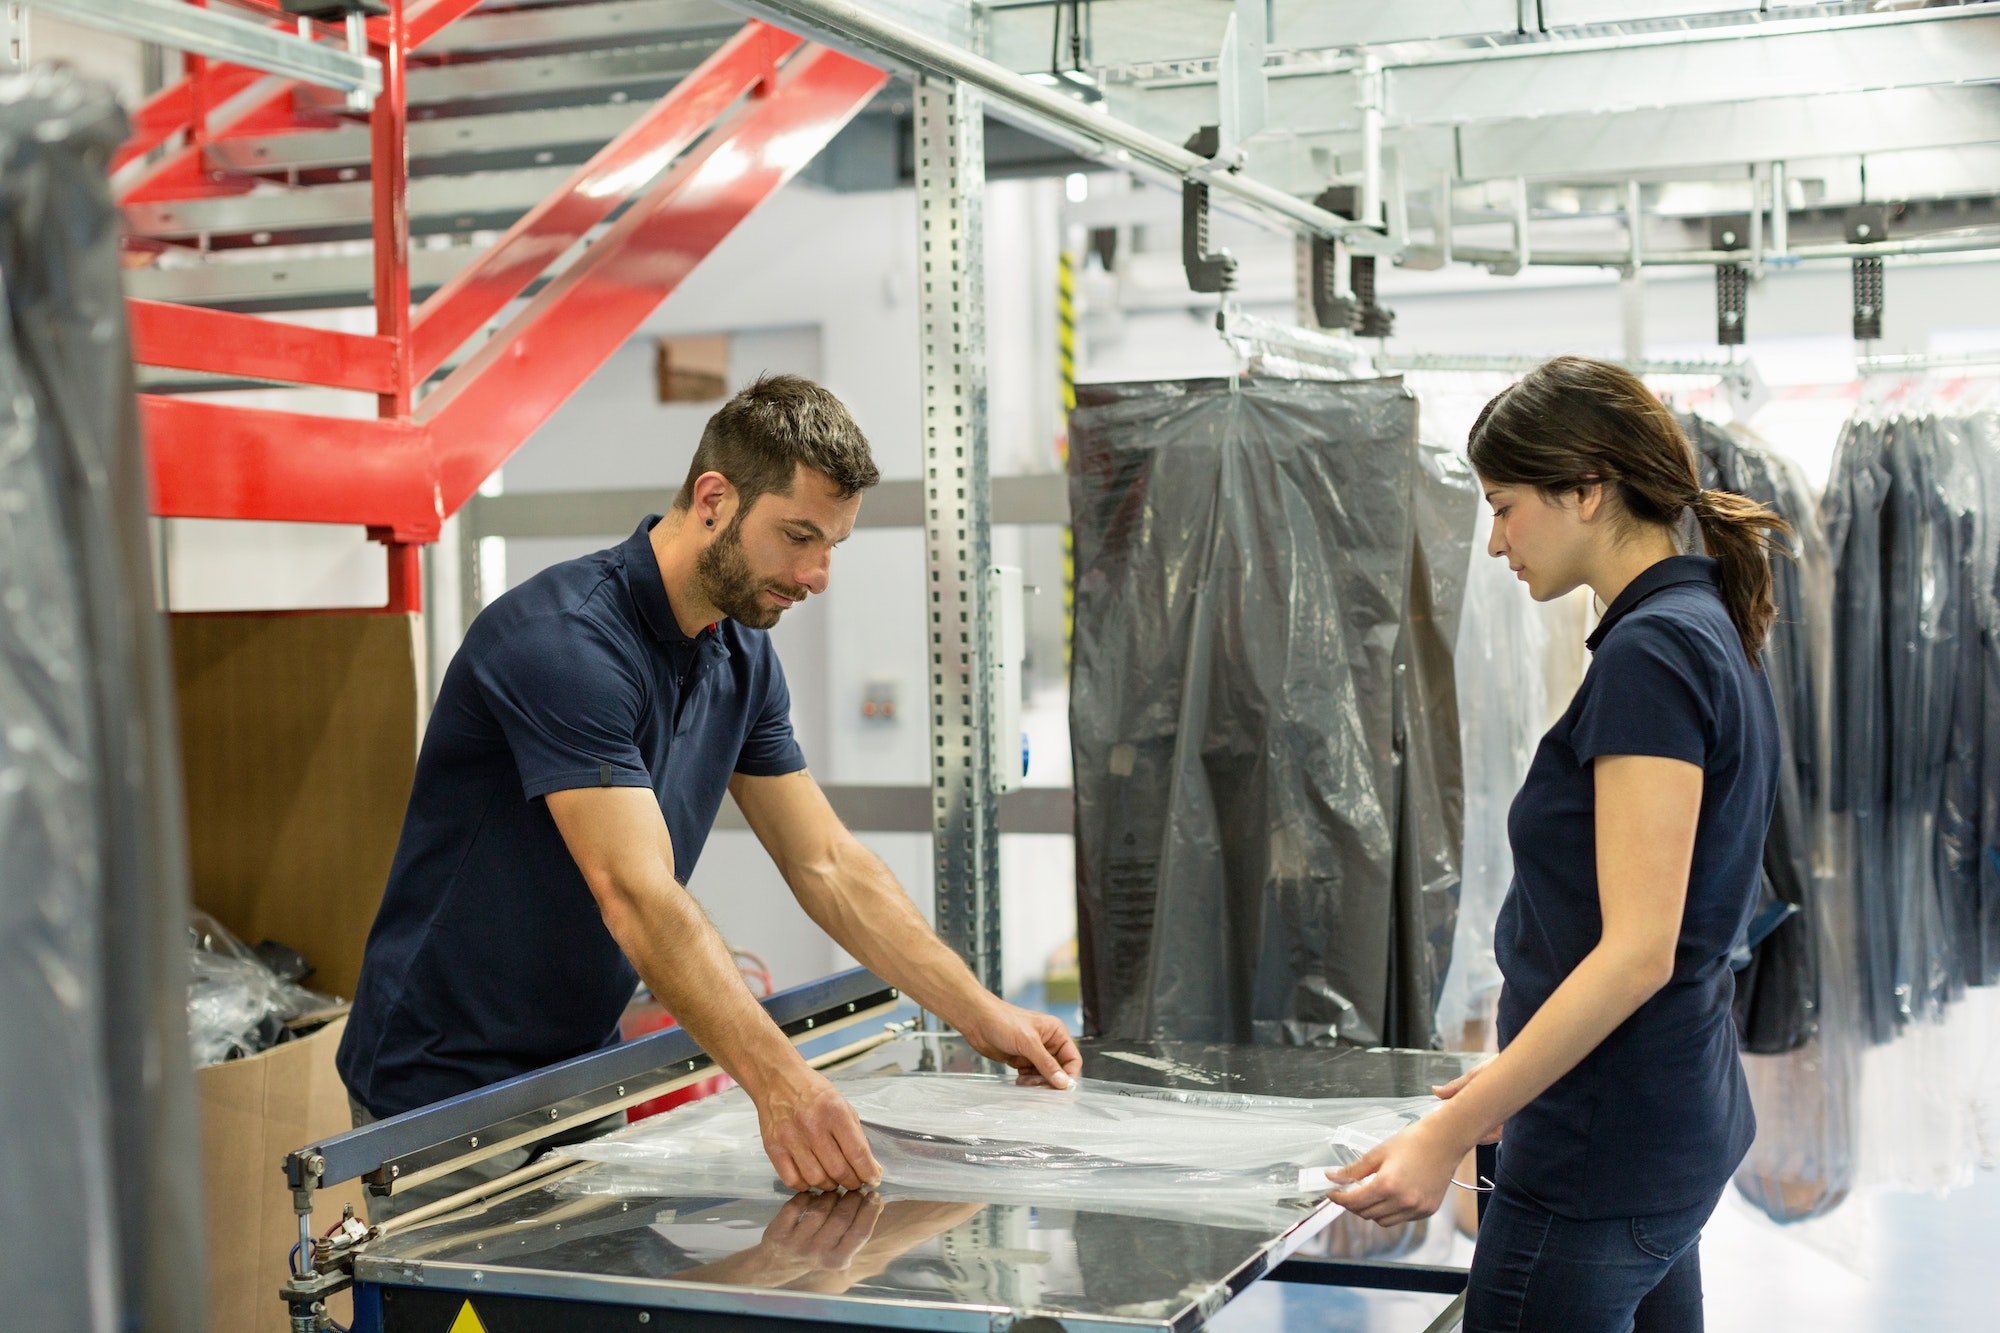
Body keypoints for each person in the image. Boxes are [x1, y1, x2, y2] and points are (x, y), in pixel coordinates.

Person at [337, 374, 1079, 1214]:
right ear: (715, 499)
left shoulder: (741, 656)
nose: (817, 574)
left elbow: (828, 862)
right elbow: (639, 895)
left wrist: (980, 1012)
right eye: (798, 536)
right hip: (442, 1091)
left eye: (833, 544)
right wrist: (783, 1085)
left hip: (580, 1070)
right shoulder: (562, 642)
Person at [1325, 357, 1789, 1332]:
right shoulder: (1701, 624)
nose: (1494, 543)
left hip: (1600, 1144)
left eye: (1503, 507)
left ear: (1585, 489)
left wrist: (1449, 1125)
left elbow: (1633, 954)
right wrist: (1504, 1085)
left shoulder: (1651, 655)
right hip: (1661, 1117)